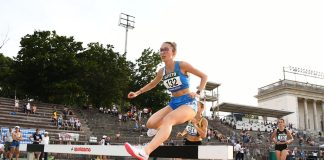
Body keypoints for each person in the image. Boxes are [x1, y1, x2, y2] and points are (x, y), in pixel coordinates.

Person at [124, 41, 208, 160]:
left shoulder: (182, 65)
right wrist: (137, 92)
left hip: (188, 102)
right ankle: (159, 135)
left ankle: (145, 152)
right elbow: (152, 84)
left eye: (166, 49)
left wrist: (198, 93)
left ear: (173, 52)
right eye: (161, 50)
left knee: (168, 120)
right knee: (150, 124)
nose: (162, 52)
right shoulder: (161, 71)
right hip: (174, 102)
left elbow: (204, 76)